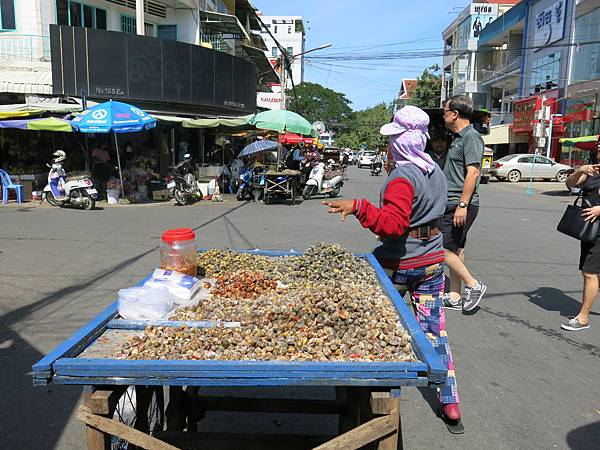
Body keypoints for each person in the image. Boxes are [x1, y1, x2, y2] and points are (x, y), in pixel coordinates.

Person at [323, 105, 464, 433]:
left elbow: (391, 226)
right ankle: (450, 402)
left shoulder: (403, 177)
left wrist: (359, 207)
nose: (388, 146)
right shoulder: (435, 170)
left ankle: (362, 388)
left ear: (400, 141)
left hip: (398, 266)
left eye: (392, 140)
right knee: (434, 333)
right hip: (431, 263)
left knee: (367, 321)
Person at [441, 95, 487, 312]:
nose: (443, 115)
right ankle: (455, 295)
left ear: (454, 114)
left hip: (459, 203)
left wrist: (462, 205)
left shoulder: (471, 138)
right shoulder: (458, 137)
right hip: (454, 202)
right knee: (456, 248)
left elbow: (473, 173)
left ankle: (473, 285)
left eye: (445, 110)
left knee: (441, 249)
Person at [563, 161, 600, 331]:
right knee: (593, 272)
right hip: (589, 229)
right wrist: (580, 170)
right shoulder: (592, 170)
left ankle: (583, 318)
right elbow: (570, 184)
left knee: (589, 273)